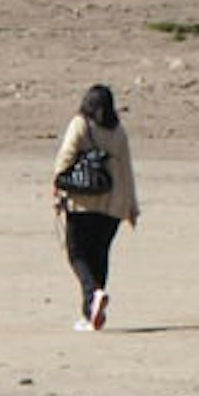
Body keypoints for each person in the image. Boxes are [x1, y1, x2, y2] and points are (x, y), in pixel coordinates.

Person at [50, 84, 139, 333]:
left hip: (83, 201)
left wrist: (57, 187)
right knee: (100, 255)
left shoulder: (81, 124)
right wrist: (132, 206)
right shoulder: (119, 131)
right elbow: (127, 170)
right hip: (114, 203)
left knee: (76, 253)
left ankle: (93, 297)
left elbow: (65, 158)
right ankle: (91, 312)